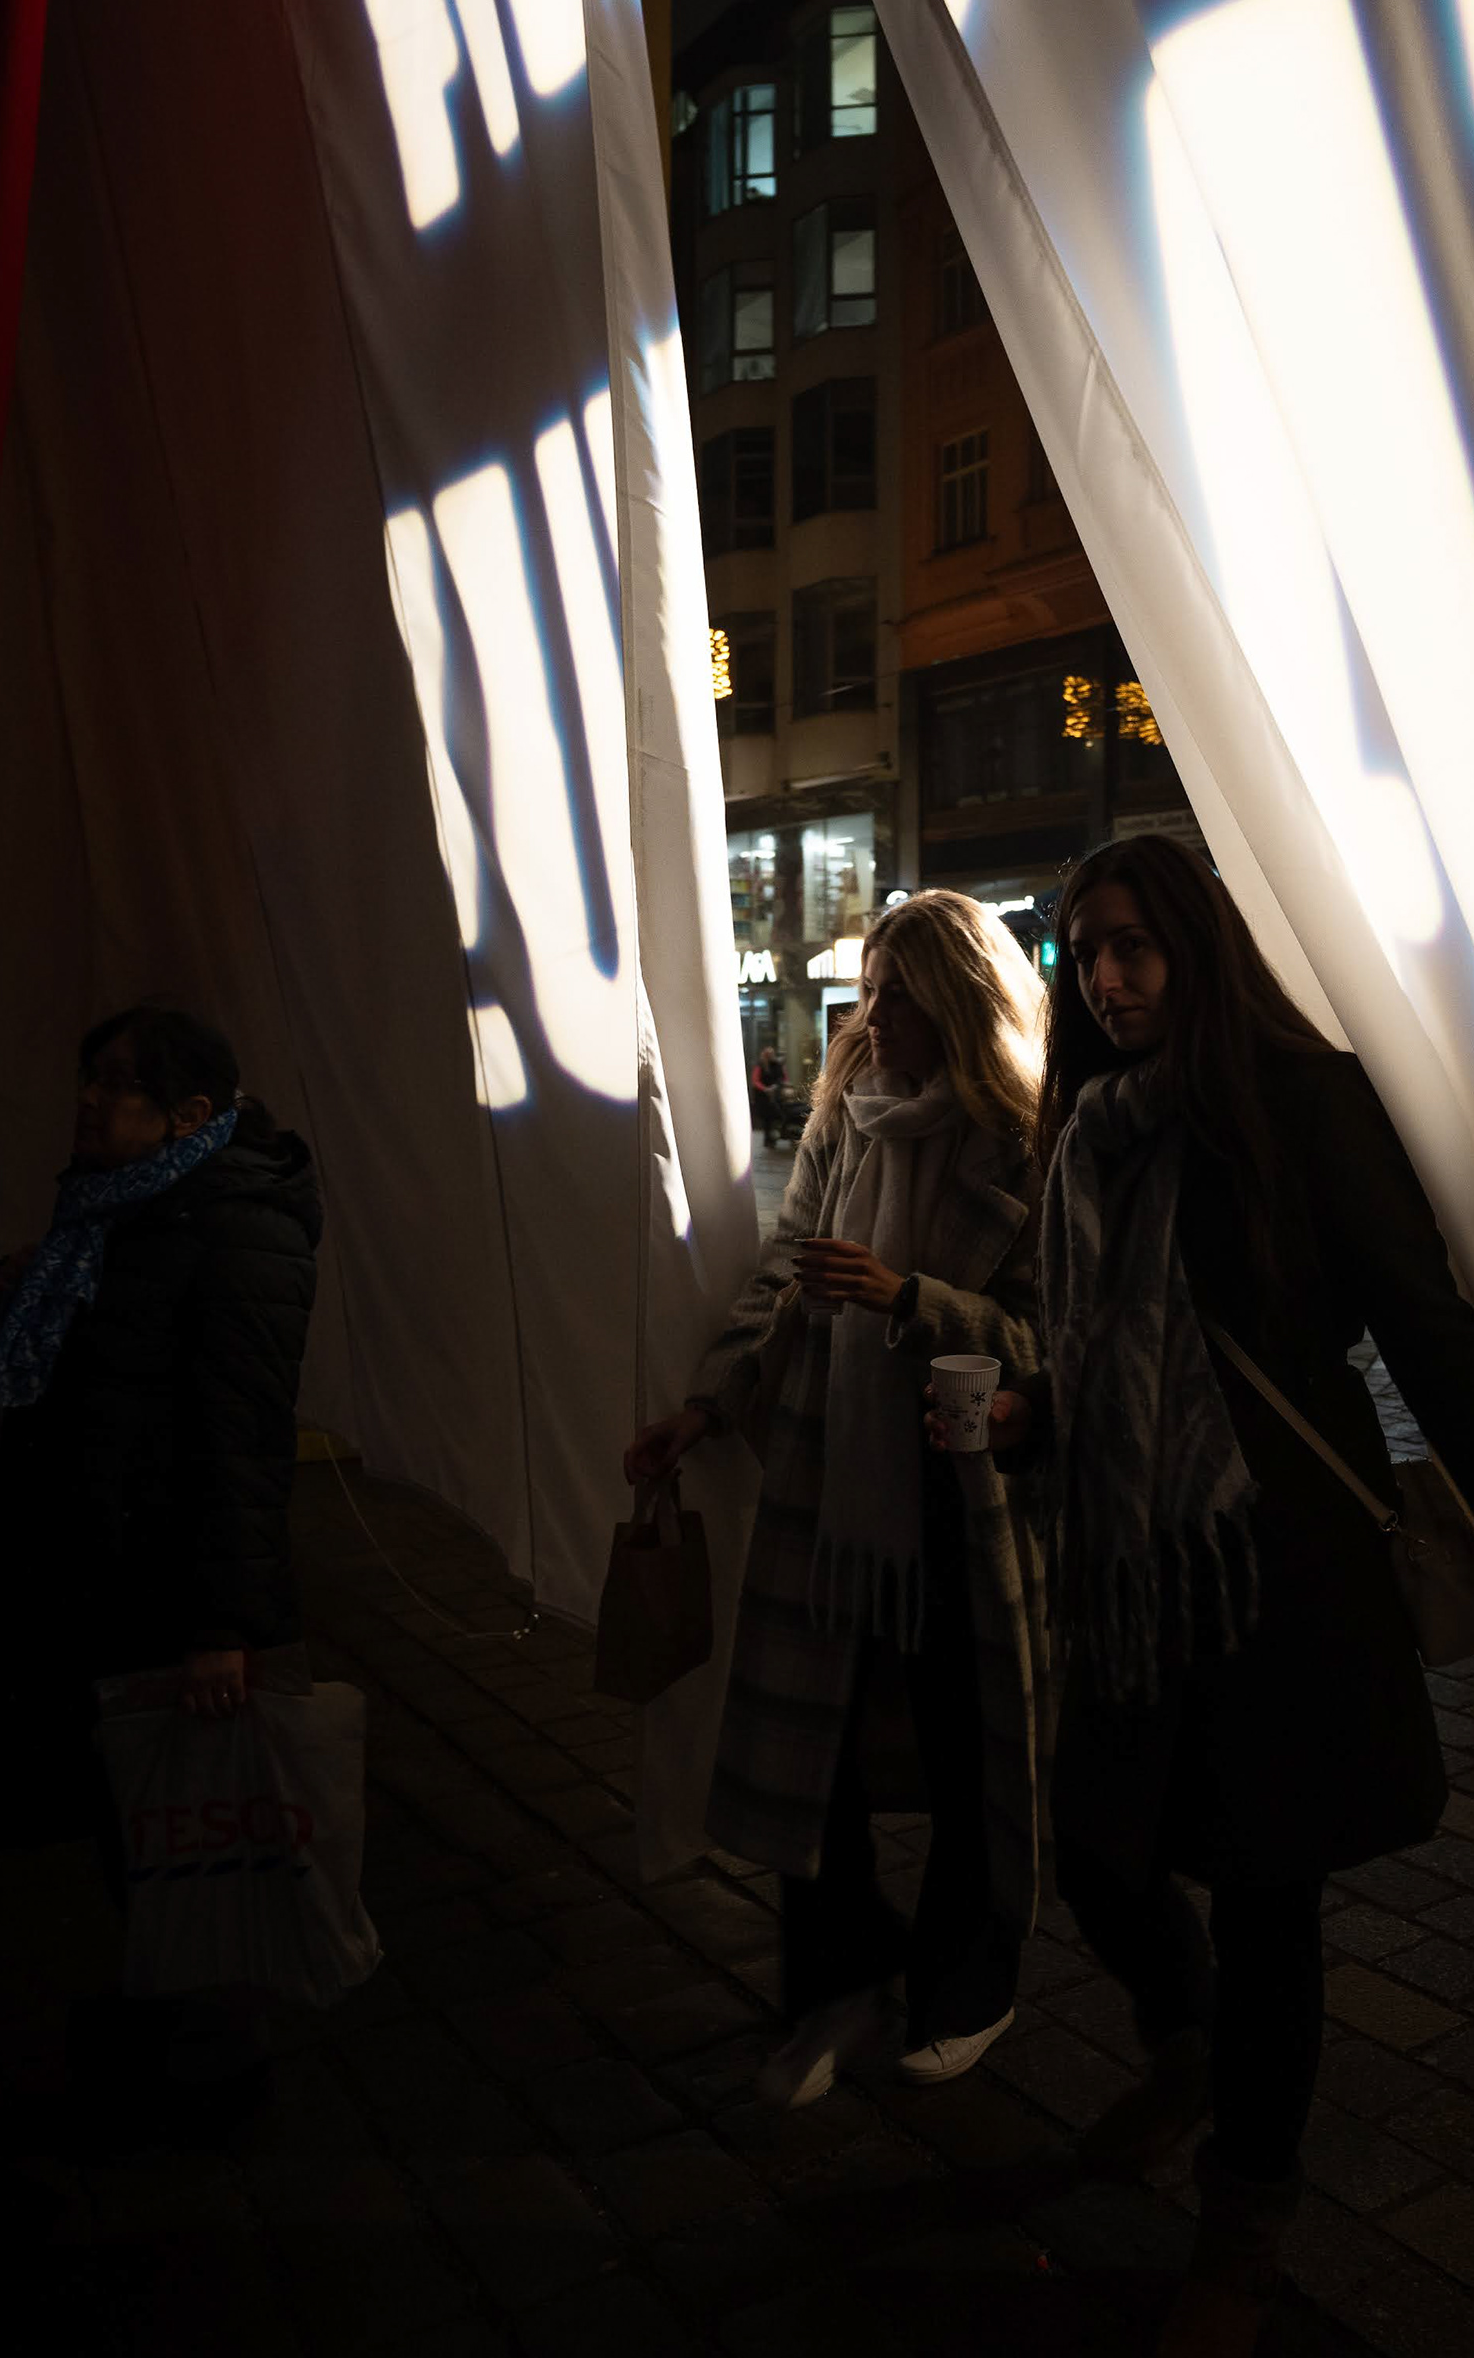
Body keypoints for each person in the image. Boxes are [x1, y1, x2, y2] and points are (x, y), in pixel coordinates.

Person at [989, 837, 1474, 2356]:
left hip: (1281, 1575)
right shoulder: (1088, 1125)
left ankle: (1245, 2223)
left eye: (1136, 946)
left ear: (1201, 950)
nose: (1109, 978)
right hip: (1135, 1572)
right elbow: (1091, 1343)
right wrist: (1036, 1413)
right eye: (1086, 951)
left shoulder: (1302, 1102)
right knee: (1101, 1848)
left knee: (1270, 1902)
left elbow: (1426, 1330)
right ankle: (1186, 2050)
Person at [627, 891, 1052, 2108]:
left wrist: (908, 1297)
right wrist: (708, 1403)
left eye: (901, 993)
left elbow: (1047, 1335)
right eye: (871, 990)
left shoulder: (1025, 1141)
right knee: (815, 1749)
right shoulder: (844, 1115)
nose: (875, 1016)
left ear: (964, 1002)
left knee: (973, 1747)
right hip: (830, 1486)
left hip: (960, 1495)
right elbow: (784, 1270)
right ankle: (837, 1982)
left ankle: (970, 1979)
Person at [0, 1005, 320, 1865]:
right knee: (113, 1803)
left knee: (172, 1829)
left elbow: (241, 1439)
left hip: (155, 1583)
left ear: (188, 1114)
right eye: (91, 1078)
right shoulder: (115, 1203)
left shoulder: (236, 1227)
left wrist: (221, 1629)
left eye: (120, 1084)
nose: (90, 1099)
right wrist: (22, 1283)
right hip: (88, 1567)